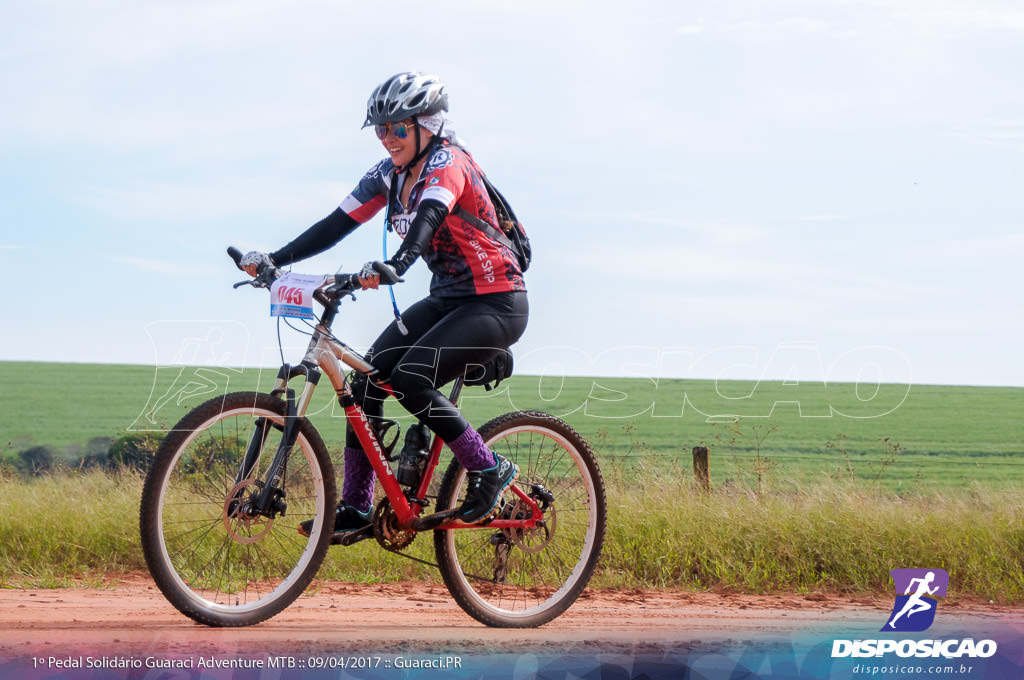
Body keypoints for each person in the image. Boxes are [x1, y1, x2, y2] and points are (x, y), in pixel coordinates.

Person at [240, 72, 528, 540]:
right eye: (380, 130)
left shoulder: (448, 163)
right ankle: (356, 505)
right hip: (449, 298)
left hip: (498, 301)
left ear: (427, 124)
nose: (387, 138)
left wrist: (400, 261)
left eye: (397, 128)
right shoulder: (386, 176)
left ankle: (489, 468)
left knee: (412, 377)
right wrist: (275, 259)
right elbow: (335, 224)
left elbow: (430, 215)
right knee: (367, 380)